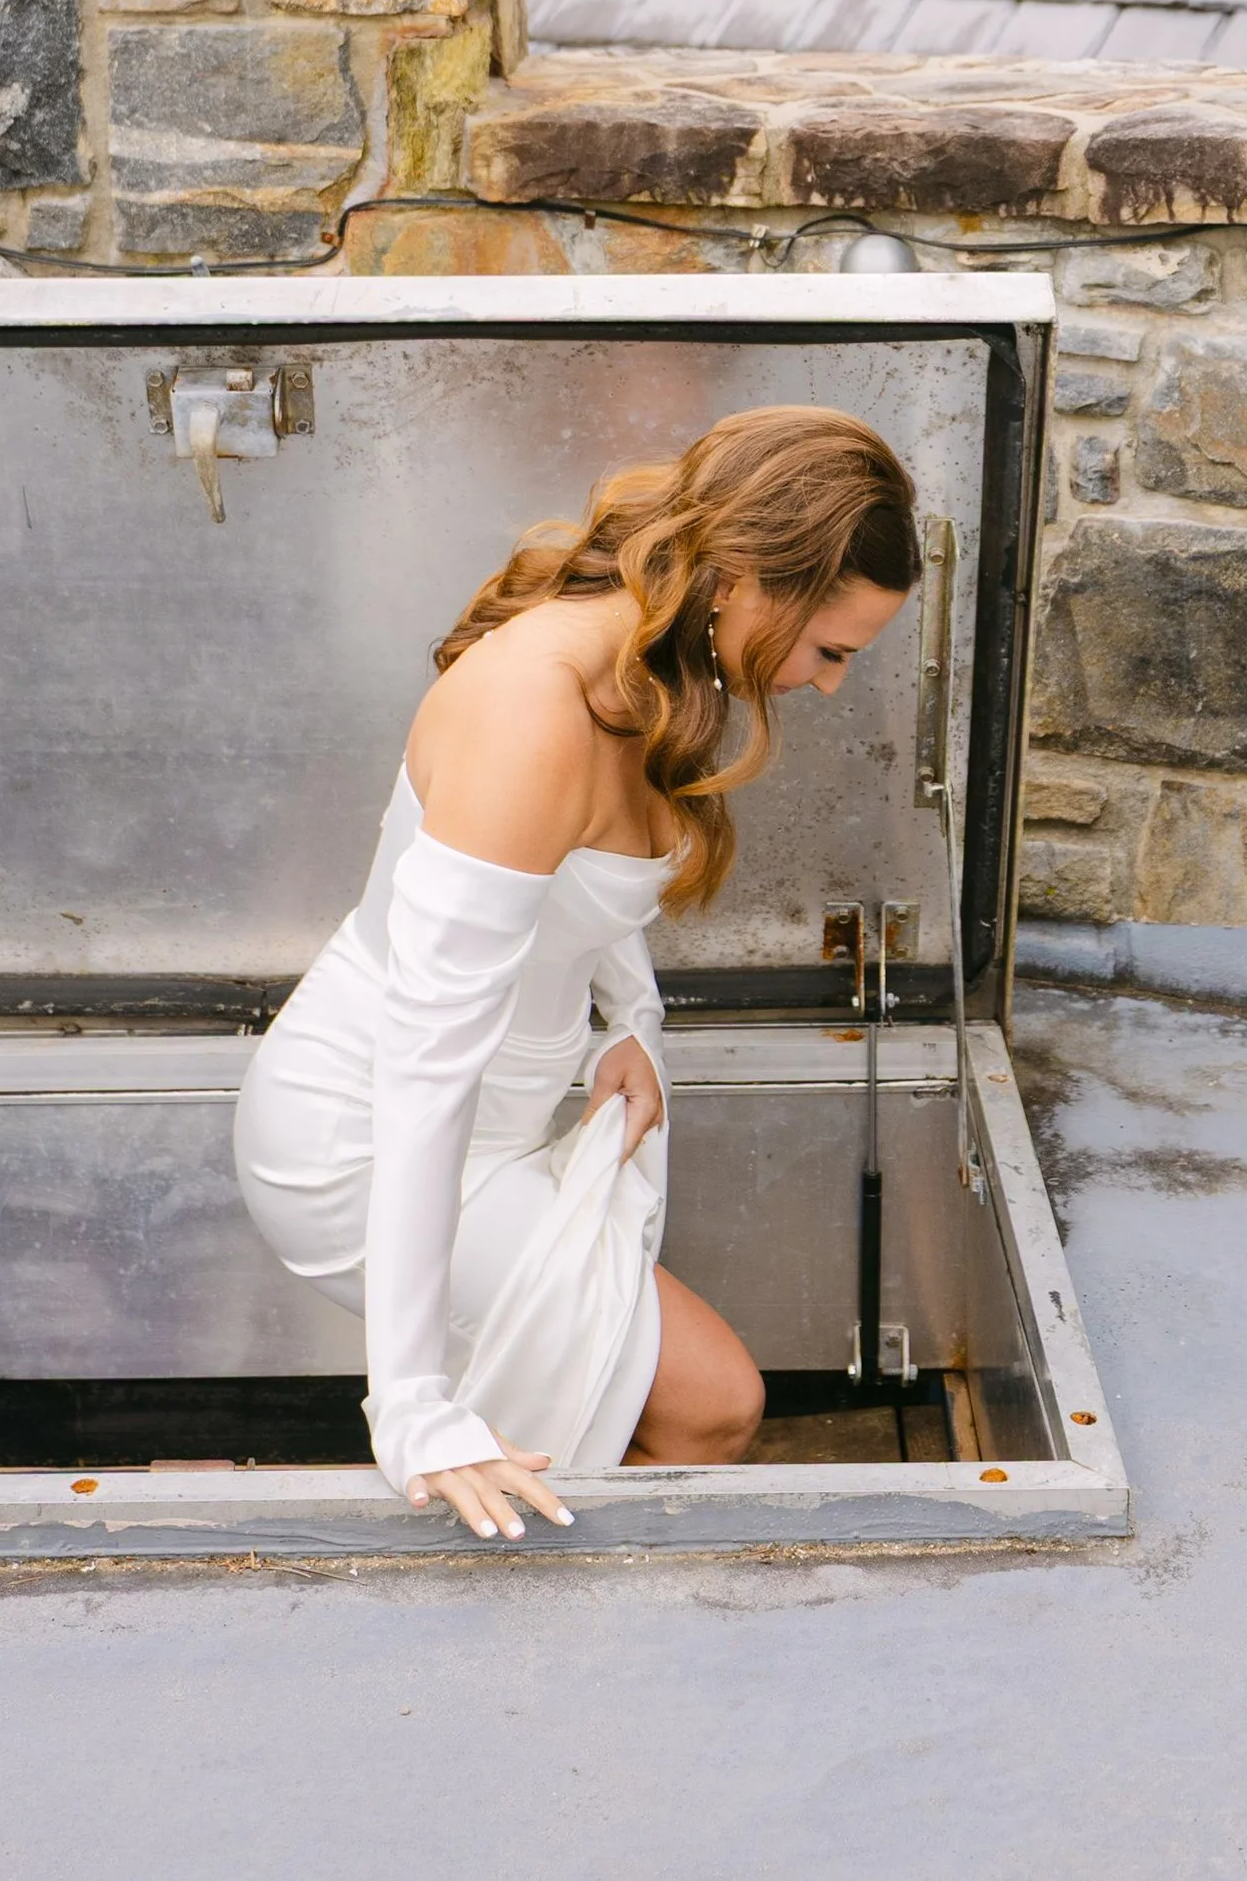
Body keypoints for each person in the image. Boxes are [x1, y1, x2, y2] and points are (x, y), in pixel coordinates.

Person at [233, 403, 921, 1542]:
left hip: (498, 1127)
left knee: (633, 1407)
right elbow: (425, 1059)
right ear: (746, 580)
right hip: (362, 1138)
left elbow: (581, 887)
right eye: (830, 650)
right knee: (712, 1405)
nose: (831, 684)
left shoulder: (643, 653)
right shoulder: (530, 713)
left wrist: (629, 1019)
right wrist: (406, 1403)